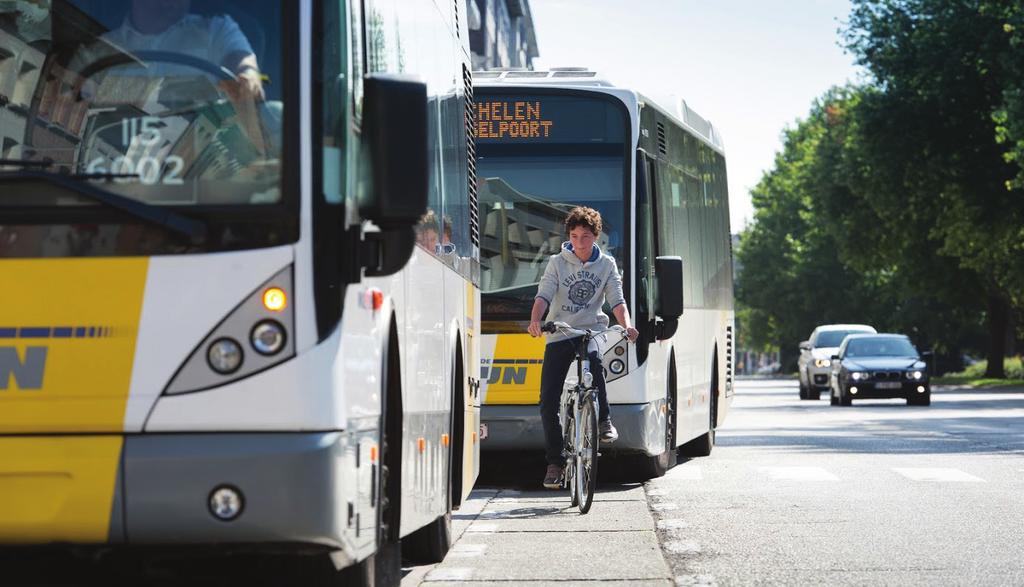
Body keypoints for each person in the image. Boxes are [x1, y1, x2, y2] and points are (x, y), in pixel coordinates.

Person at [527, 206, 639, 489]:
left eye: (586, 237)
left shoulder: (607, 265)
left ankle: (603, 422)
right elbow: (544, 294)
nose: (579, 243)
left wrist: (626, 325)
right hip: (561, 332)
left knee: (595, 361)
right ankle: (555, 462)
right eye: (574, 236)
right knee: (547, 400)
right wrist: (536, 320)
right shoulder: (557, 262)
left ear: (596, 237)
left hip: (591, 330)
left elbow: (617, 300)